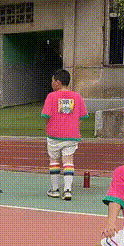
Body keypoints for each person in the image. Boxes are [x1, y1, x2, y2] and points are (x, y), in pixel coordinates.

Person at [42, 68, 88, 200]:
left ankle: (55, 189)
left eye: (52, 81)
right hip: (72, 135)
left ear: (57, 82)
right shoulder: (77, 97)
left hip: (54, 135)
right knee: (68, 161)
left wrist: (50, 126)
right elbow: (82, 117)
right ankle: (67, 190)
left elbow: (46, 116)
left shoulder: (51, 96)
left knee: (54, 161)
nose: (52, 83)